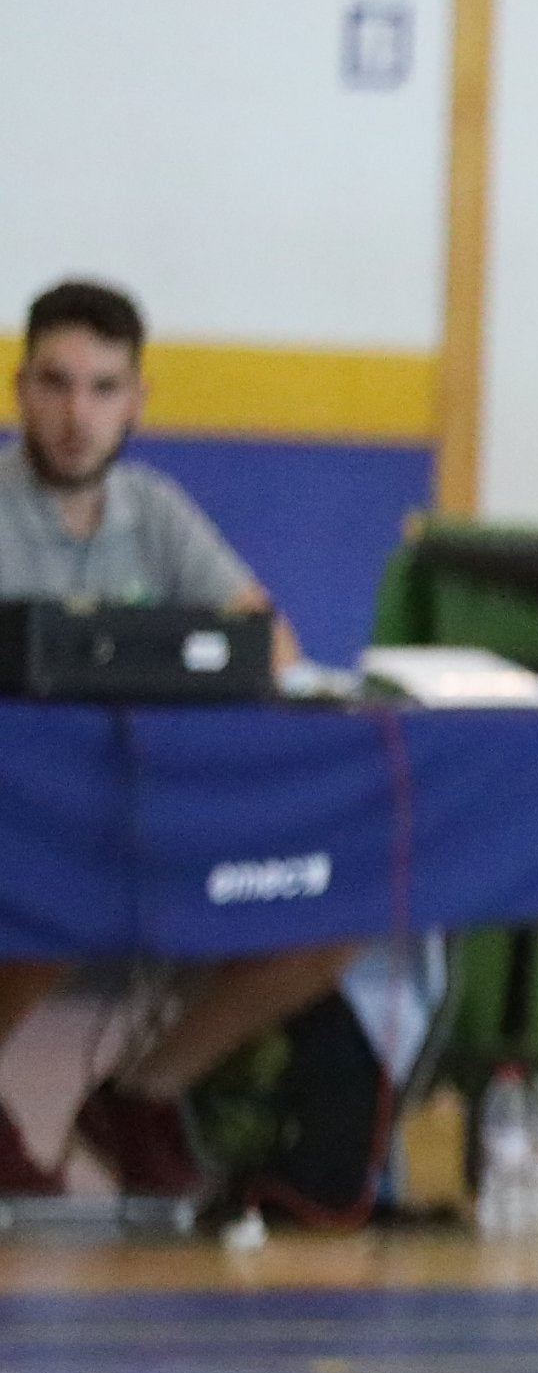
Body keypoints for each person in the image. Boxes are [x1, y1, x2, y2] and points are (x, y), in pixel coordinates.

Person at [0, 277, 351, 1201]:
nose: (79, 413)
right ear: (20, 390)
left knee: (333, 908)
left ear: (138, 401)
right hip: (31, 820)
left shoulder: (154, 510)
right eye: (57, 383)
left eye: (104, 388)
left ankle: (143, 1093)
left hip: (159, 811)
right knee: (48, 887)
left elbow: (269, 644)